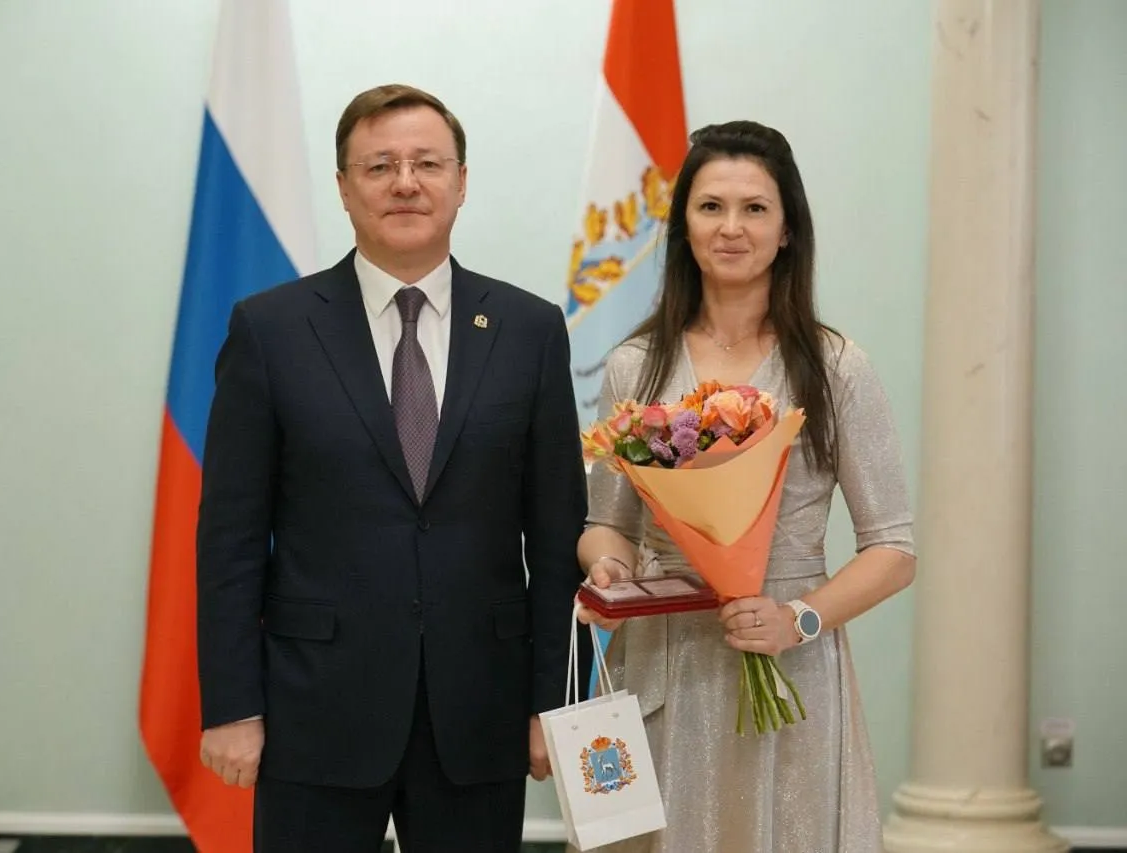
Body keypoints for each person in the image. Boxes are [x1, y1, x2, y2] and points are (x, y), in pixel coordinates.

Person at [192, 83, 589, 853]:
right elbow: (230, 538)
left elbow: (555, 535)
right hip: (314, 709)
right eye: (380, 166)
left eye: (427, 163)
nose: (406, 182)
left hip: (479, 708)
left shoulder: (530, 329)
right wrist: (234, 704)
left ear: (461, 182)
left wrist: (557, 699)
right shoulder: (271, 330)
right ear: (344, 187)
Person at [575, 120, 917, 852]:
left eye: (755, 208)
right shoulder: (635, 365)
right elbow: (609, 525)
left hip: (790, 664)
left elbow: (894, 549)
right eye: (711, 207)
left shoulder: (836, 367)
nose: (731, 228)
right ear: (684, 226)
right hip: (665, 656)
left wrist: (800, 619)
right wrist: (609, 567)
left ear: (787, 229)